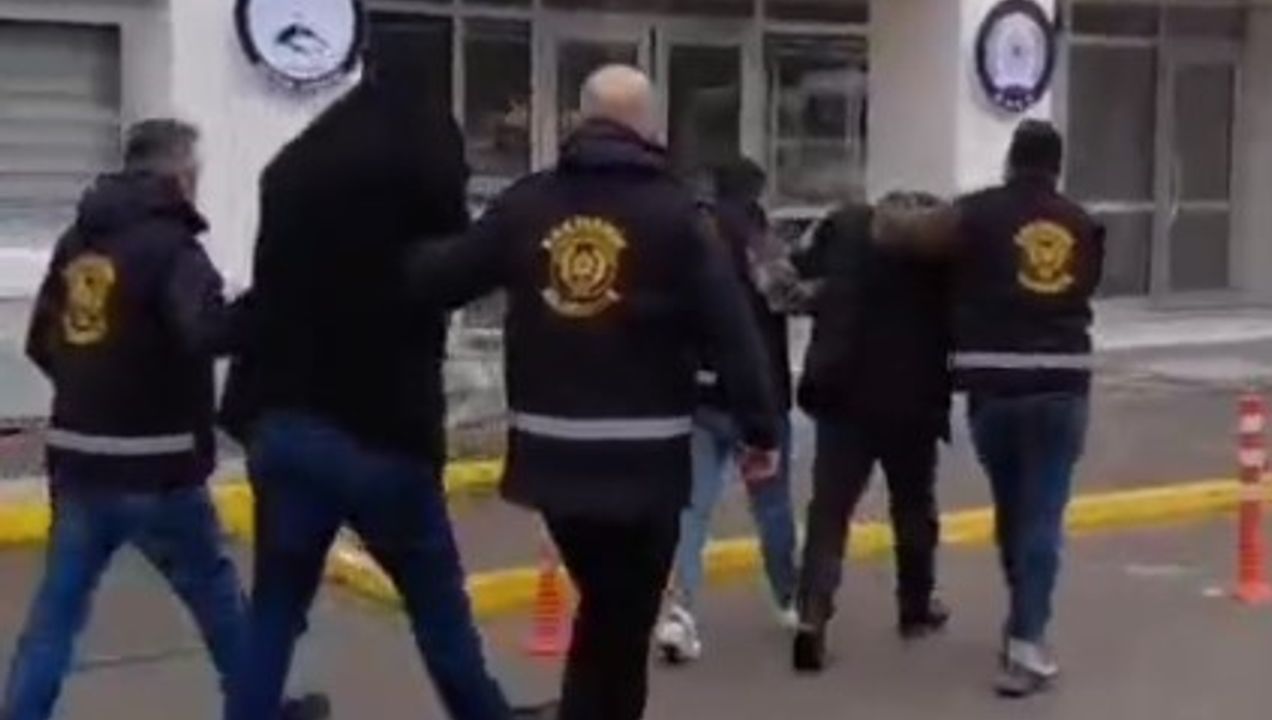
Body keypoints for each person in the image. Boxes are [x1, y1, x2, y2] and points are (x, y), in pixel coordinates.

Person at [408, 65, 780, 720]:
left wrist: (384, 237)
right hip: (646, 460)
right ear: (650, 128)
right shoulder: (677, 216)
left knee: (608, 612)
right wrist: (760, 429)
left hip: (550, 456)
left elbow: (441, 280)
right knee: (621, 621)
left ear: (581, 120)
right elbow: (732, 332)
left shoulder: (527, 204)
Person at [220, 46, 545, 720]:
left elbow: (268, 297)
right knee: (437, 606)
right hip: (382, 426)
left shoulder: (295, 165)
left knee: (276, 606)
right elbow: (448, 271)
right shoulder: (420, 153)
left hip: (282, 417)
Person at [1, 120, 321, 720]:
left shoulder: (78, 243)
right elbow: (206, 331)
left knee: (56, 617)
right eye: (195, 171)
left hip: (78, 460)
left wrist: (91, 395)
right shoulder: (172, 248)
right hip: (159, 467)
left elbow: (42, 343)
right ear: (178, 174)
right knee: (216, 597)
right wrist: (269, 305)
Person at [950, 120, 1104, 697]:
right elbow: (1085, 288)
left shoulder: (974, 214)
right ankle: (1026, 639)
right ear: (1057, 167)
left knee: (1013, 512)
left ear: (1011, 160)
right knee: (1042, 516)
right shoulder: (1083, 223)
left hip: (993, 384)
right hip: (1062, 382)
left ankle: (1023, 623)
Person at [788, 191, 955, 673]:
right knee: (913, 505)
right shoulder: (936, 247)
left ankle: (812, 615)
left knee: (829, 512)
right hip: (912, 399)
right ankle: (915, 608)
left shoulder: (844, 227)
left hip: (843, 394)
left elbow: (800, 269)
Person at [655, 157, 799, 664]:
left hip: (699, 394)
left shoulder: (692, 241)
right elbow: (787, 296)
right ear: (756, 191)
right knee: (772, 505)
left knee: (691, 509)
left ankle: (679, 611)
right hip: (759, 395)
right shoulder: (762, 243)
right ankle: (789, 598)